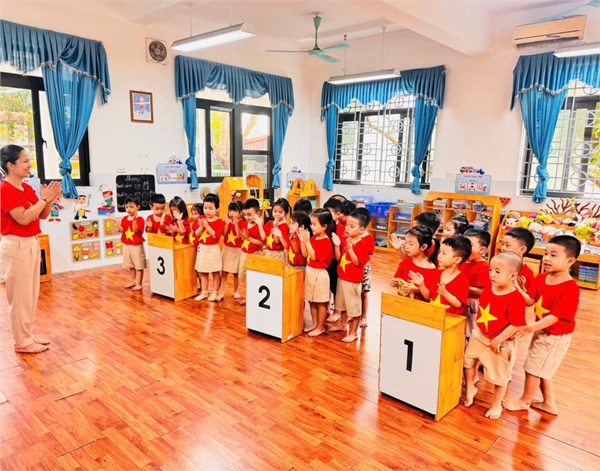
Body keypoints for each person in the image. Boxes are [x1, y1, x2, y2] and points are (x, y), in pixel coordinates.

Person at [504, 235, 581, 416]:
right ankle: (549, 404)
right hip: (542, 331)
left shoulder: (570, 288)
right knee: (542, 368)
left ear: (570, 261)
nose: (546, 258)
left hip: (554, 337)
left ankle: (524, 401)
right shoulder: (543, 277)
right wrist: (518, 289)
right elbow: (530, 301)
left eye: (553, 255)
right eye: (545, 253)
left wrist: (530, 328)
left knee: (533, 369)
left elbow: (556, 316)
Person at [0, 145, 61, 354]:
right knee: (20, 298)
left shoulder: (25, 188)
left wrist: (49, 199)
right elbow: (24, 218)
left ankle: (27, 335)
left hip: (30, 243)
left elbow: (42, 214)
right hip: (15, 246)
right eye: (25, 161)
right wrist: (43, 199)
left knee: (30, 295)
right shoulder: (5, 189)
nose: (29, 165)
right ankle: (22, 342)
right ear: (11, 165)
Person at [463, 251, 527, 419]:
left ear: (512, 276)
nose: (491, 275)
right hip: (480, 335)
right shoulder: (490, 289)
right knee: (468, 360)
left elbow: (516, 324)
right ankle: (470, 387)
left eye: (497, 272)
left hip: (501, 342)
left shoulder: (516, 298)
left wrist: (498, 339)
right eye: (490, 270)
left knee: (500, 376)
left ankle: (496, 404)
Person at [330, 209, 371, 343]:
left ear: (361, 230)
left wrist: (350, 249)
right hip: (342, 277)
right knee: (341, 305)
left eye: (352, 226)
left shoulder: (362, 244)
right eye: (347, 225)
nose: (347, 228)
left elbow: (357, 262)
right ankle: (342, 325)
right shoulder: (345, 239)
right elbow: (338, 257)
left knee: (354, 308)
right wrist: (337, 246)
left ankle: (353, 333)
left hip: (353, 281)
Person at [299, 209, 335, 337]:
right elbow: (305, 254)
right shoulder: (314, 238)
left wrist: (307, 241)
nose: (311, 227)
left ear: (324, 226)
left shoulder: (326, 241)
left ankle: (320, 327)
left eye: (314, 224)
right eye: (311, 224)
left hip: (320, 275)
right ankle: (315, 323)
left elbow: (314, 256)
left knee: (320, 302)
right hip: (310, 272)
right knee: (311, 300)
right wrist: (303, 241)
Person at [423, 236, 471, 315]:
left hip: (449, 318)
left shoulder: (462, 280)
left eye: (444, 253)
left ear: (457, 260)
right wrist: (421, 284)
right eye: (440, 252)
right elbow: (427, 297)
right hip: (432, 315)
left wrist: (445, 293)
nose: (439, 255)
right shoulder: (435, 273)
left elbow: (458, 304)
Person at [391, 226, 438, 301]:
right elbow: (399, 281)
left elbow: (429, 297)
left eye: (411, 244)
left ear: (423, 247)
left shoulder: (431, 269)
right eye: (406, 243)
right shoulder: (404, 263)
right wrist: (394, 282)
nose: (406, 247)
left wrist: (417, 290)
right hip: (402, 303)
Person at [109, 197, 146, 291]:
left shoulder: (140, 219)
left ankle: (139, 283)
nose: (129, 209)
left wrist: (134, 220)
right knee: (131, 265)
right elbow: (122, 230)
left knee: (139, 265)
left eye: (131, 207)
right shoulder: (125, 218)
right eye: (127, 207)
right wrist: (115, 221)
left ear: (138, 207)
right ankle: (133, 281)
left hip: (136, 246)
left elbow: (135, 230)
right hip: (127, 245)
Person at [461, 229, 491, 338]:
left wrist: (462, 287)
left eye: (470, 245)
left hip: (472, 304)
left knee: (471, 331)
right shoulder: (461, 262)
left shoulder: (483, 267)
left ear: (482, 250)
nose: (465, 248)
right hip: (460, 300)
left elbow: (482, 291)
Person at [194, 193, 224, 302]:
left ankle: (215, 292)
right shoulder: (201, 218)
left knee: (215, 272)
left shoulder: (219, 221)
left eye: (211, 208)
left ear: (217, 209)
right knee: (203, 272)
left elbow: (216, 236)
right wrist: (201, 226)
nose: (207, 211)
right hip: (202, 248)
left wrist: (207, 225)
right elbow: (197, 234)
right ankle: (204, 292)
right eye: (205, 208)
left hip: (213, 249)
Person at [238, 198, 264, 306]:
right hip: (244, 253)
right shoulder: (244, 224)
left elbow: (261, 242)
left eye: (249, 214)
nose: (247, 217)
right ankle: (249, 297)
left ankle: (253, 298)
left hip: (254, 254)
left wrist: (248, 238)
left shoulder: (258, 227)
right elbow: (243, 238)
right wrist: (243, 237)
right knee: (243, 275)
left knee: (254, 277)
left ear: (257, 214)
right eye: (245, 215)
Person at [219, 201, 243, 300]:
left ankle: (236, 291)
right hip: (227, 249)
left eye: (234, 211)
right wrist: (226, 224)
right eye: (230, 211)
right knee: (224, 273)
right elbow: (224, 234)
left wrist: (236, 224)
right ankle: (221, 293)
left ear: (240, 213)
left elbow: (239, 236)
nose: (232, 213)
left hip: (237, 250)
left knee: (236, 274)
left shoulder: (242, 223)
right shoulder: (226, 221)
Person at [501, 227, 536, 295]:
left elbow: (527, 297)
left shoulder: (527, 274)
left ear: (522, 250)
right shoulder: (499, 265)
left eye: (507, 245)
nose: (502, 248)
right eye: (502, 244)